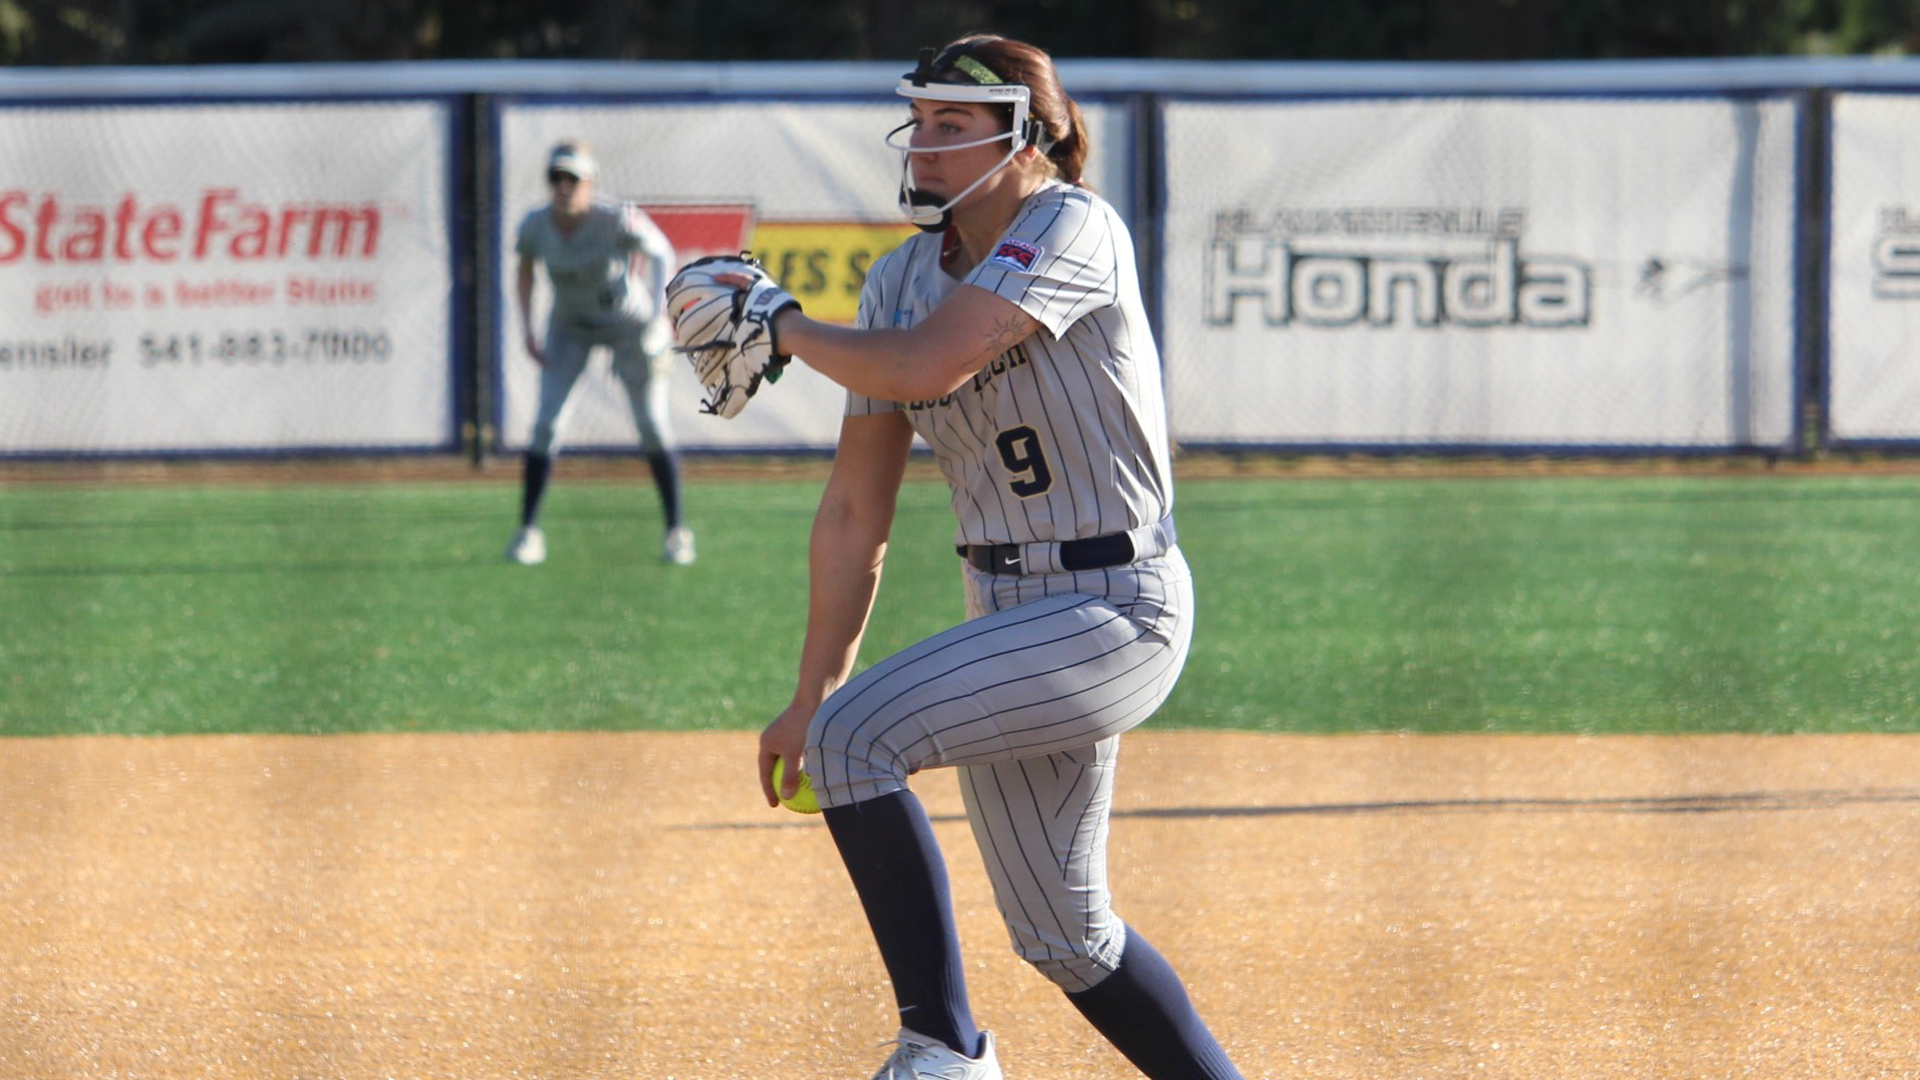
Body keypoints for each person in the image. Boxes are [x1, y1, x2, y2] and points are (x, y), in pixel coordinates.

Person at [752, 35, 1245, 1080]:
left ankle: (943, 1049)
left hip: (1117, 607)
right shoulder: (897, 281)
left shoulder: (1072, 225)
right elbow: (855, 510)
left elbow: (933, 361)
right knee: (1066, 936)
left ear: (1028, 137)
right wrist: (810, 691)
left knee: (859, 743)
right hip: (1008, 611)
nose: (924, 143)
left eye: (953, 124)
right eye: (919, 121)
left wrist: (785, 328)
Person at [506, 140, 695, 566]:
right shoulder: (536, 225)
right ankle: (527, 532)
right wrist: (528, 330)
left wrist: (660, 319)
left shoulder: (614, 218)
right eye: (556, 177)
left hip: (628, 325)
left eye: (573, 179)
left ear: (590, 183)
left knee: (651, 423)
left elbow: (661, 252)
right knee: (547, 425)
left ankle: (677, 532)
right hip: (569, 326)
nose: (564, 187)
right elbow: (525, 270)